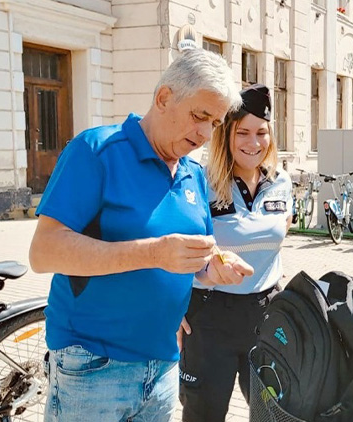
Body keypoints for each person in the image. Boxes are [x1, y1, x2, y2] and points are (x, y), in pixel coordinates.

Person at [28, 48, 254, 422]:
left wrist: (211, 269)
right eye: (200, 116)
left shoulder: (193, 174)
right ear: (164, 97)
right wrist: (153, 253)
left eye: (214, 123)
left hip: (163, 365)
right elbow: (44, 251)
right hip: (94, 366)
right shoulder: (96, 150)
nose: (204, 134)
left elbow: (186, 258)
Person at [178, 84, 293, 421]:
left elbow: (277, 237)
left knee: (274, 412)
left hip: (266, 314)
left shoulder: (282, 182)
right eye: (242, 132)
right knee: (204, 413)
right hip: (210, 315)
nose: (253, 142)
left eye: (261, 132)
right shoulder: (201, 182)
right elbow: (178, 245)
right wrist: (175, 301)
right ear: (226, 134)